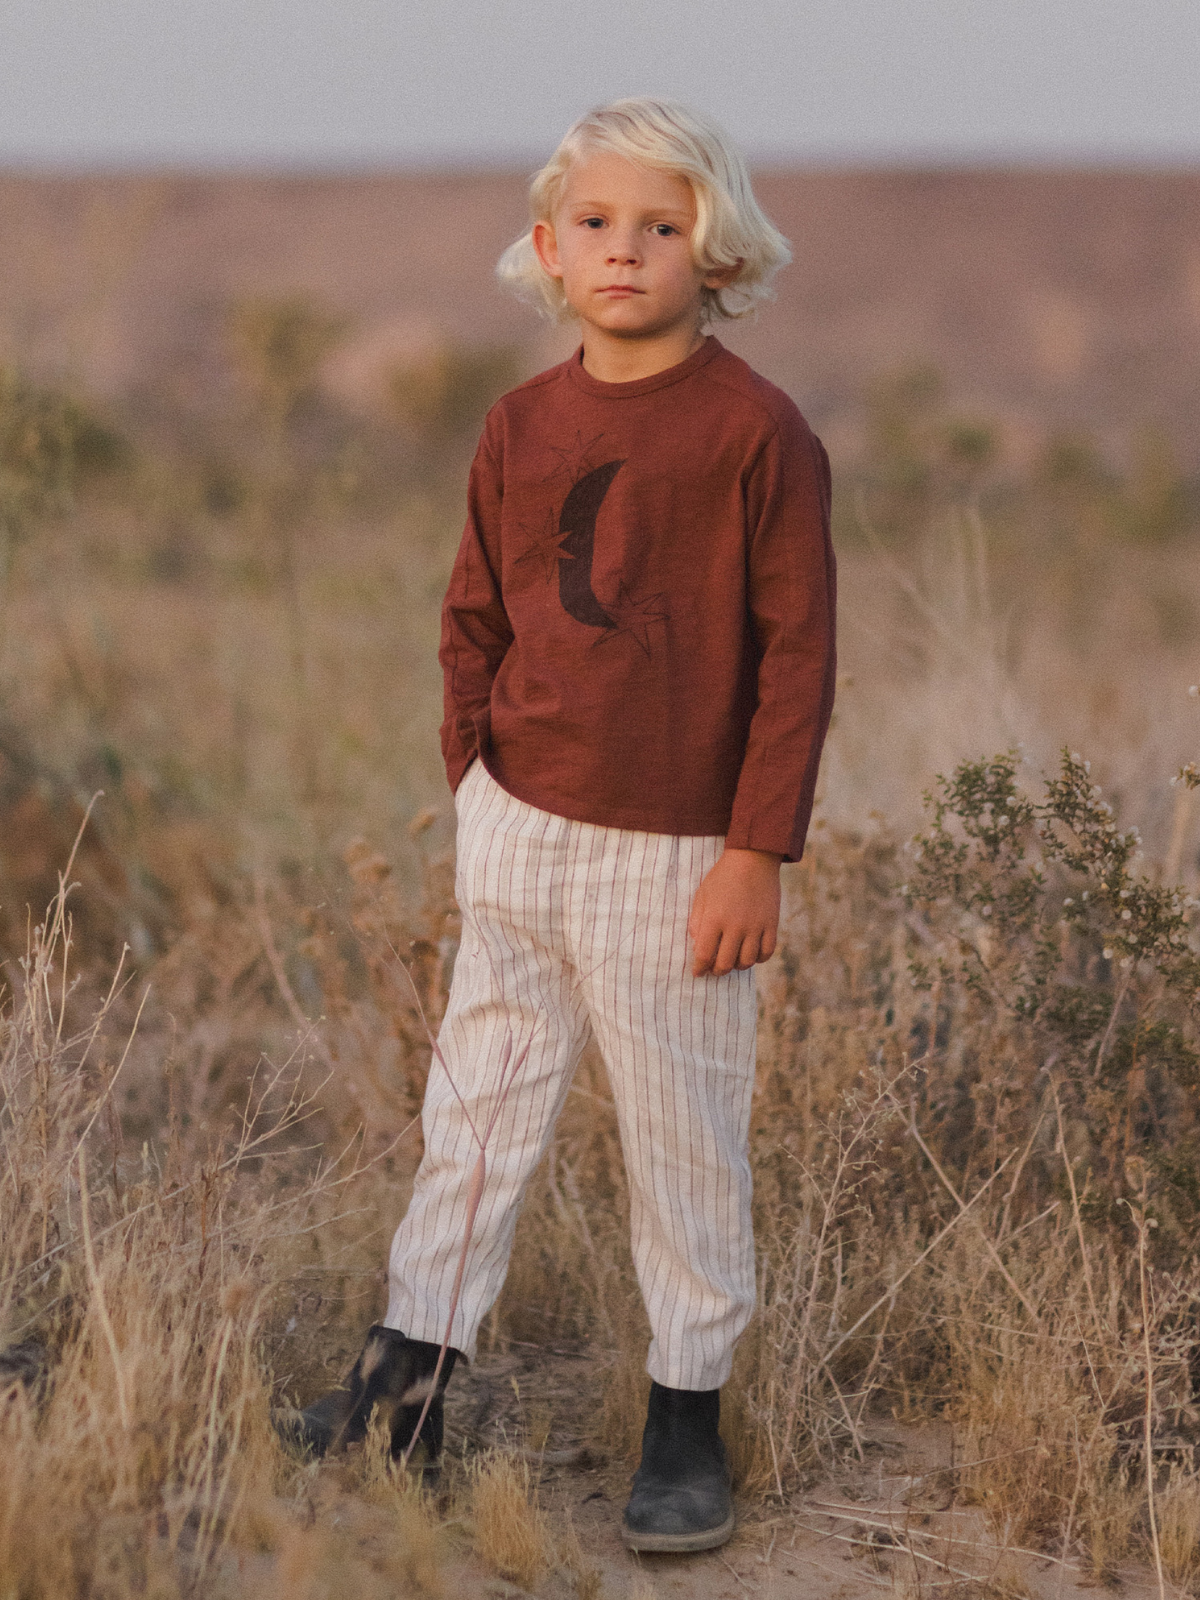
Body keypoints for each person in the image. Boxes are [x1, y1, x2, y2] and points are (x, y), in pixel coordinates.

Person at [290, 96, 836, 1554]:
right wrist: (476, 775)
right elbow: (473, 611)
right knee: (474, 1117)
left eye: (663, 228)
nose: (626, 251)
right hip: (521, 826)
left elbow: (797, 659)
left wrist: (754, 850)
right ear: (547, 246)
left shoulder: (757, 434)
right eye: (596, 223)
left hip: (682, 861)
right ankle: (405, 1385)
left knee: (685, 1145)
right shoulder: (521, 422)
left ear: (715, 255)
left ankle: (685, 1421)